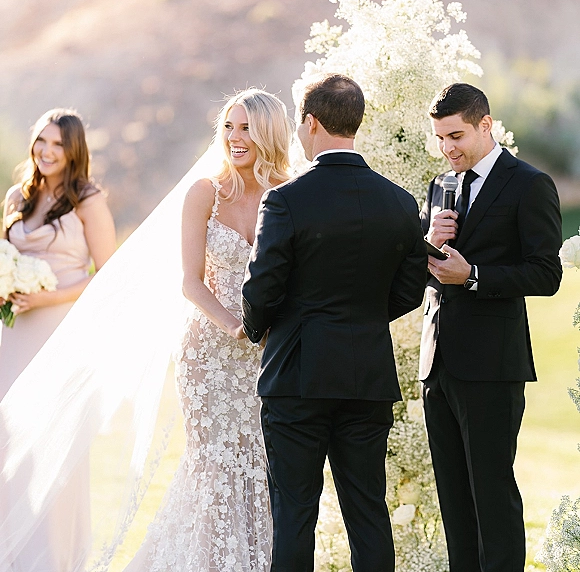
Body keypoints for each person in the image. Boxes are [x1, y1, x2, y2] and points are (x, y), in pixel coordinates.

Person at [241, 74, 428, 572]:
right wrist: (362, 319)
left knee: (295, 511)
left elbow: (261, 288)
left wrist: (262, 328)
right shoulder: (400, 202)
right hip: (366, 374)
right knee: (368, 511)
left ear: (312, 123)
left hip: (296, 376)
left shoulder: (285, 200)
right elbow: (410, 289)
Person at [123, 88, 292, 572]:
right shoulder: (204, 192)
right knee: (215, 466)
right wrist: (231, 324)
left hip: (268, 354)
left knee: (260, 467)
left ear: (269, 133)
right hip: (208, 355)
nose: (236, 139)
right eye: (229, 128)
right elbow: (189, 282)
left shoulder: (288, 192)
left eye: (247, 129)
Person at [419, 83, 562, 572]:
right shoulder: (439, 185)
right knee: (454, 502)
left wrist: (474, 276)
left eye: (456, 135)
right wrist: (425, 243)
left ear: (486, 125)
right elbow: (424, 269)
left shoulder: (529, 184)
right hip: (436, 365)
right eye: (440, 138)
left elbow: (546, 273)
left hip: (492, 366)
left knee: (491, 498)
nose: (448, 148)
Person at [0, 107, 116, 571]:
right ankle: (11, 549)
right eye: (41, 141)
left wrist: (49, 299)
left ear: (73, 152)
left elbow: (108, 274)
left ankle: (54, 558)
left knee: (53, 440)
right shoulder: (17, 195)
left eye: (58, 145)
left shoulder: (88, 199)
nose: (47, 152)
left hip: (60, 332)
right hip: (12, 333)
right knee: (8, 440)